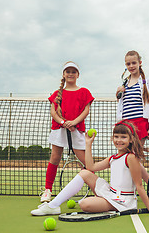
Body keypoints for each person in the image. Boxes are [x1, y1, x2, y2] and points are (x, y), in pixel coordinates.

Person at [31, 120, 149, 216]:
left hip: (123, 201)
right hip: (111, 192)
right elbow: (91, 167)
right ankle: (53, 206)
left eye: (123, 137)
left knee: (85, 204)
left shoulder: (131, 158)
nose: (119, 140)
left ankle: (101, 203)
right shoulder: (113, 158)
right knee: (85, 172)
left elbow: (139, 186)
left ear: (131, 139)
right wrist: (88, 144)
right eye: (116, 136)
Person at [39, 61, 94, 203]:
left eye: (73, 71)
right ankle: (47, 190)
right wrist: (63, 123)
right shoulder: (57, 94)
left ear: (78, 75)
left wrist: (74, 122)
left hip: (77, 129)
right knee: (55, 158)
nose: (70, 74)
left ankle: (97, 189)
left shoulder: (84, 92)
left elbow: (86, 110)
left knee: (87, 162)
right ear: (63, 74)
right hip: (59, 129)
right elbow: (53, 112)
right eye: (68, 71)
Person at [116, 50, 149, 202]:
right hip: (125, 125)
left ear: (139, 63)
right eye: (128, 63)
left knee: (134, 159)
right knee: (126, 158)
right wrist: (118, 93)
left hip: (140, 124)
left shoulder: (147, 82)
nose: (131, 66)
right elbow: (122, 105)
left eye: (134, 63)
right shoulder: (123, 84)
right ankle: (145, 187)